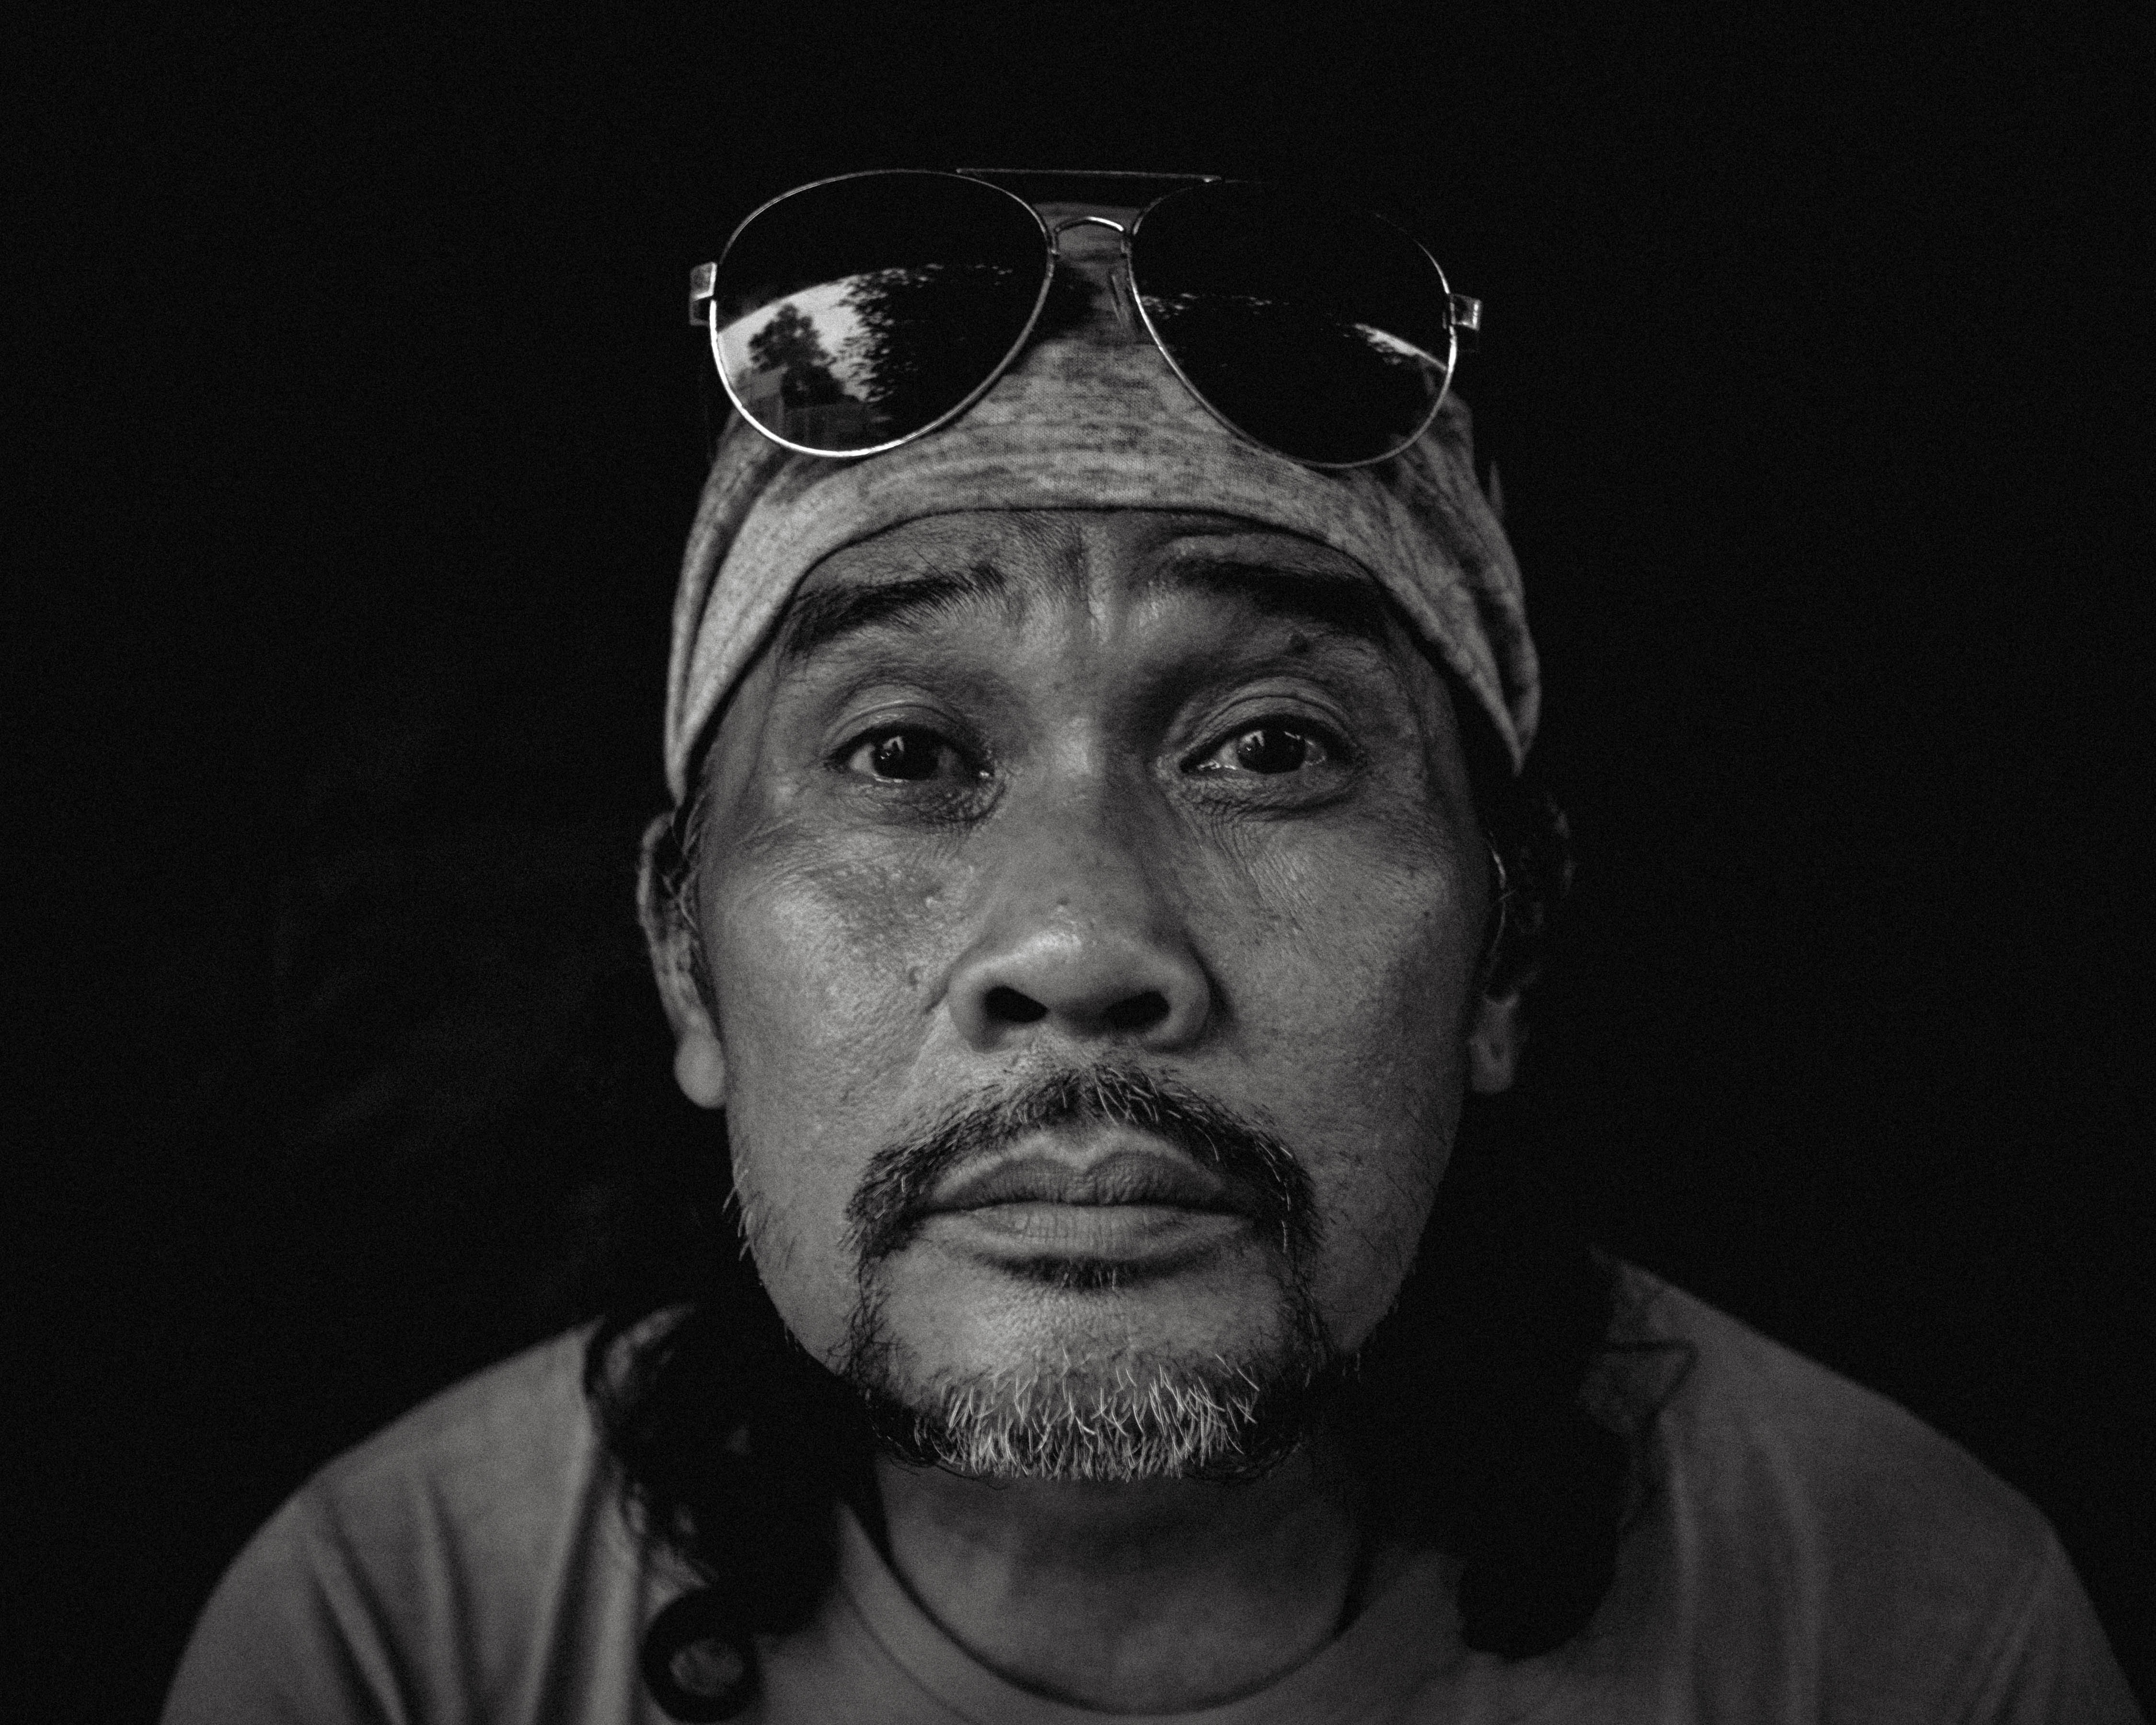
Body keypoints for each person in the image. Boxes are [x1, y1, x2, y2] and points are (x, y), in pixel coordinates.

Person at [163, 170, 2141, 1723]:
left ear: (1506, 952)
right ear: (686, 962)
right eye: (906, 753)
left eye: (1271, 749)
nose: (1081, 941)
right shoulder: (392, 1637)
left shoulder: (1906, 1624)